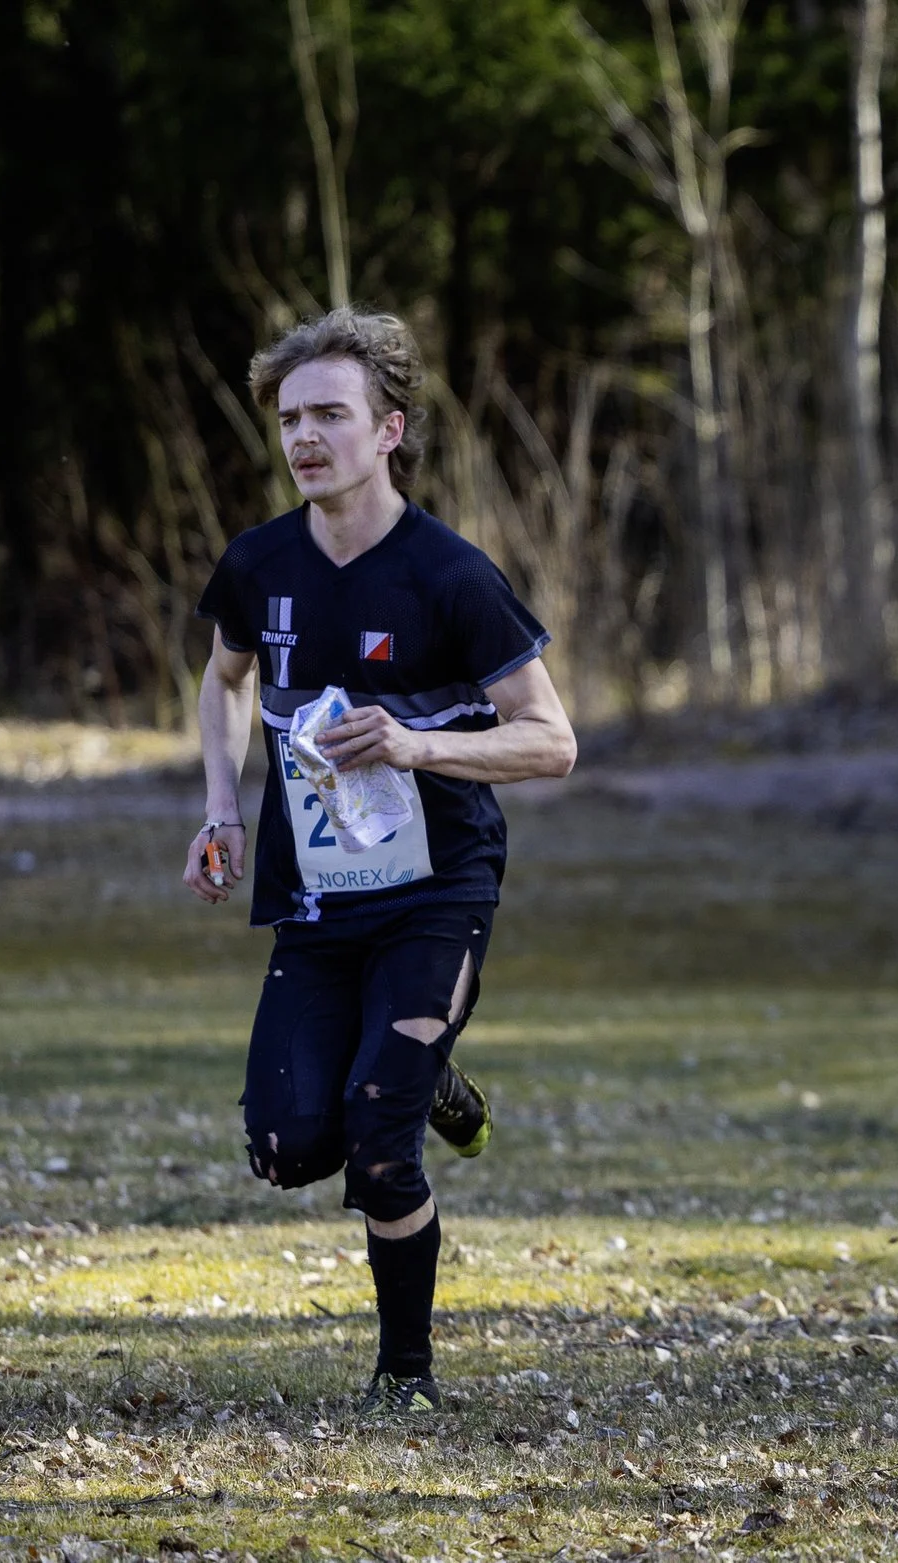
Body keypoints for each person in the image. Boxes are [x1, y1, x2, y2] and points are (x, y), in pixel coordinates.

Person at [181, 307, 577, 1412]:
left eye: (331, 416)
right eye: (292, 418)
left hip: (434, 893)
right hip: (313, 896)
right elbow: (225, 681)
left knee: (380, 1145)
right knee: (284, 1148)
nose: (306, 437)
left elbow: (553, 741)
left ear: (389, 430)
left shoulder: (451, 575)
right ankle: (431, 1072)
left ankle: (404, 1375)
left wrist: (415, 745)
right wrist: (220, 808)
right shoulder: (258, 563)